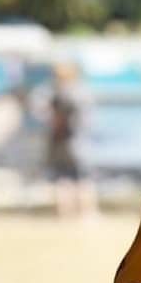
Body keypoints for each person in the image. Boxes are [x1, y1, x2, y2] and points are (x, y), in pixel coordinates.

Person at [45, 62, 97, 218]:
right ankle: (88, 213)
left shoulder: (56, 94)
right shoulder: (79, 93)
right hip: (77, 142)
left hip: (61, 142)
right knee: (83, 178)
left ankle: (65, 214)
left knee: (62, 178)